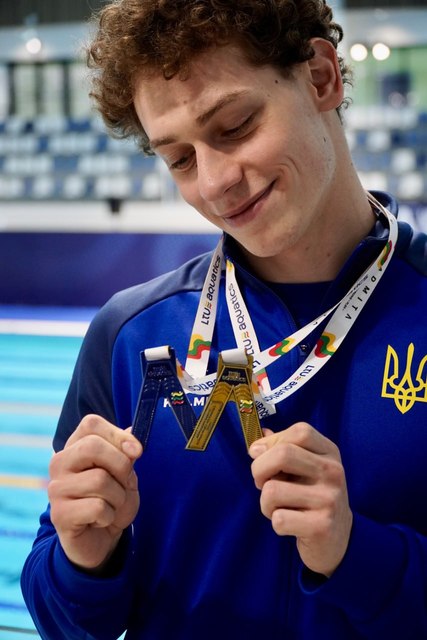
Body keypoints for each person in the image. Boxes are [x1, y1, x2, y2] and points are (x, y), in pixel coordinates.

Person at [21, 1, 427, 638]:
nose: (213, 183)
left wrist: (358, 555)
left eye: (235, 126)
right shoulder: (130, 336)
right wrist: (83, 560)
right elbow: (62, 617)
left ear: (321, 78)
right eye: (180, 159)